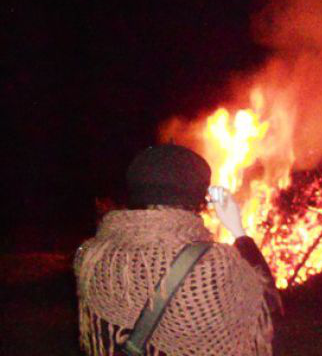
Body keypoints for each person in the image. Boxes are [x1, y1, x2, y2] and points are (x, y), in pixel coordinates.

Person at [74, 144, 282, 356]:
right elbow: (267, 308)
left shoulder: (91, 256)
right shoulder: (211, 265)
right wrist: (238, 230)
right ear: (199, 199)